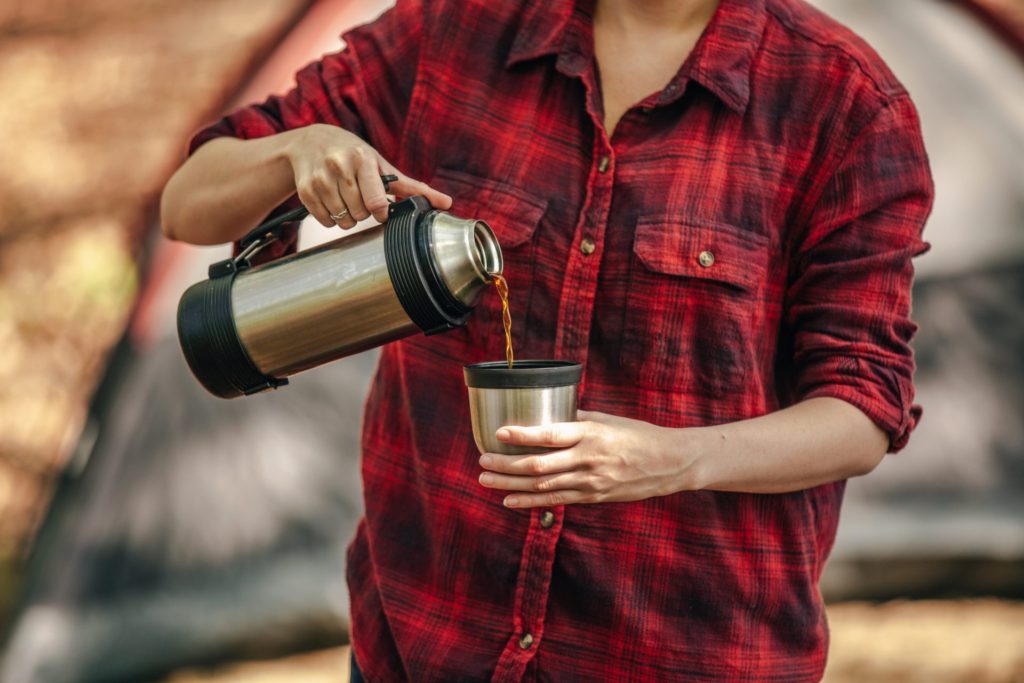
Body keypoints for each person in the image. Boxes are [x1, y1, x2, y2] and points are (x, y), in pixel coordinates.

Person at [161, 0, 933, 679]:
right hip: (423, 639)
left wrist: (677, 458)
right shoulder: (452, 31)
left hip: (684, 653)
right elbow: (189, 204)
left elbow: (862, 409)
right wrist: (295, 151)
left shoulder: (846, 102)